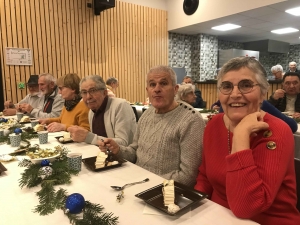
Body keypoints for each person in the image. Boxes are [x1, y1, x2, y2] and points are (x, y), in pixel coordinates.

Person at [194, 56, 300, 225]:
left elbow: (248, 207)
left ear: (263, 93)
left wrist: (241, 135)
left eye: (246, 85)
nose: (235, 94)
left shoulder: (277, 131)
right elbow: (205, 177)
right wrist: (191, 207)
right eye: (227, 87)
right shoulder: (213, 124)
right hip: (218, 216)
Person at [99, 65, 205, 187]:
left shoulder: (191, 120)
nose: (157, 89)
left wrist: (147, 183)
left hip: (165, 194)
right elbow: (134, 150)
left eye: (163, 83)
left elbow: (188, 176)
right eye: (152, 84)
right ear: (147, 90)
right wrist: (118, 150)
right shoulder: (147, 114)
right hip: (138, 183)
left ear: (175, 89)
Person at [67, 75, 136, 146]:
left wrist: (88, 137)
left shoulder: (120, 106)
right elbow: (96, 142)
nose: (88, 97)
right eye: (84, 92)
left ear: (104, 93)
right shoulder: (91, 112)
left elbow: (123, 143)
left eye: (93, 91)